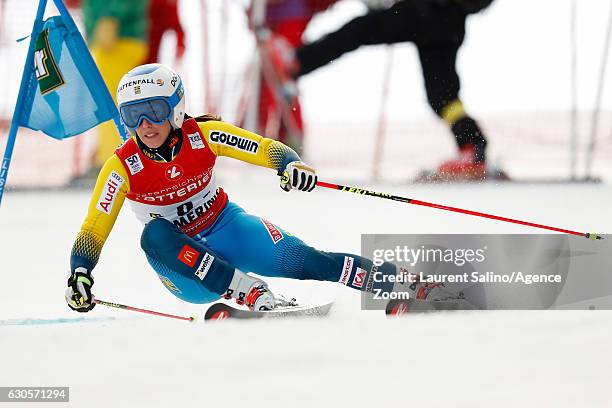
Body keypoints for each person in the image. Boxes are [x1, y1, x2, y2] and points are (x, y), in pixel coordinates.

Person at [64, 64, 461, 313]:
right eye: (133, 115)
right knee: (154, 233)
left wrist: (290, 166)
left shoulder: (204, 135)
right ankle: (248, 292)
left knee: (307, 260)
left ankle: (398, 280)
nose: (145, 124)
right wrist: (79, 273)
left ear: (177, 109)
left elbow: (264, 148)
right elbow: (93, 228)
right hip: (184, 269)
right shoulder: (121, 165)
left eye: (154, 110)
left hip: (225, 226)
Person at [283, 0, 497, 180]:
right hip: (448, 21)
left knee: (360, 29)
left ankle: (298, 62)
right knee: (443, 97)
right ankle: (472, 147)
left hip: (426, 12)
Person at [82, 0, 150, 170]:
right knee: (111, 100)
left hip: (117, 38)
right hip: (112, 38)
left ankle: (113, 160)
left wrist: (110, 17)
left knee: (112, 101)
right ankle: (111, 155)